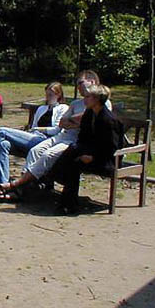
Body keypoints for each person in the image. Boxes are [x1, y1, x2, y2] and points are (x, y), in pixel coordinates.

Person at [0, 70, 113, 199]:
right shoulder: (75, 103)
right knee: (35, 151)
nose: (78, 86)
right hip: (62, 136)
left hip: (76, 142)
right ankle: (25, 188)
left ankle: (17, 188)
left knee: (47, 155)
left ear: (92, 82)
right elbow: (62, 123)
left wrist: (75, 120)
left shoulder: (102, 102)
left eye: (80, 82)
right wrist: (76, 121)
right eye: (76, 84)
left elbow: (90, 120)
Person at [0, 82, 68, 185]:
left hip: (47, 141)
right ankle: (1, 184)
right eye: (46, 94)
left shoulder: (63, 108)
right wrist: (33, 130)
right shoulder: (41, 108)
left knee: (2, 131)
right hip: (34, 137)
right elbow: (33, 127)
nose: (47, 97)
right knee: (3, 144)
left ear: (58, 95)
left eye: (50, 95)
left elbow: (56, 130)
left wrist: (40, 129)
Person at [50, 85, 123, 214]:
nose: (85, 99)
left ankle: (65, 201)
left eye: (88, 97)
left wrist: (92, 157)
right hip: (90, 152)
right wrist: (82, 151)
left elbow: (111, 147)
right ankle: (66, 201)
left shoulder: (109, 120)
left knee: (73, 165)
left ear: (97, 99)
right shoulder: (89, 114)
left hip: (107, 160)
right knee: (72, 152)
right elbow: (83, 137)